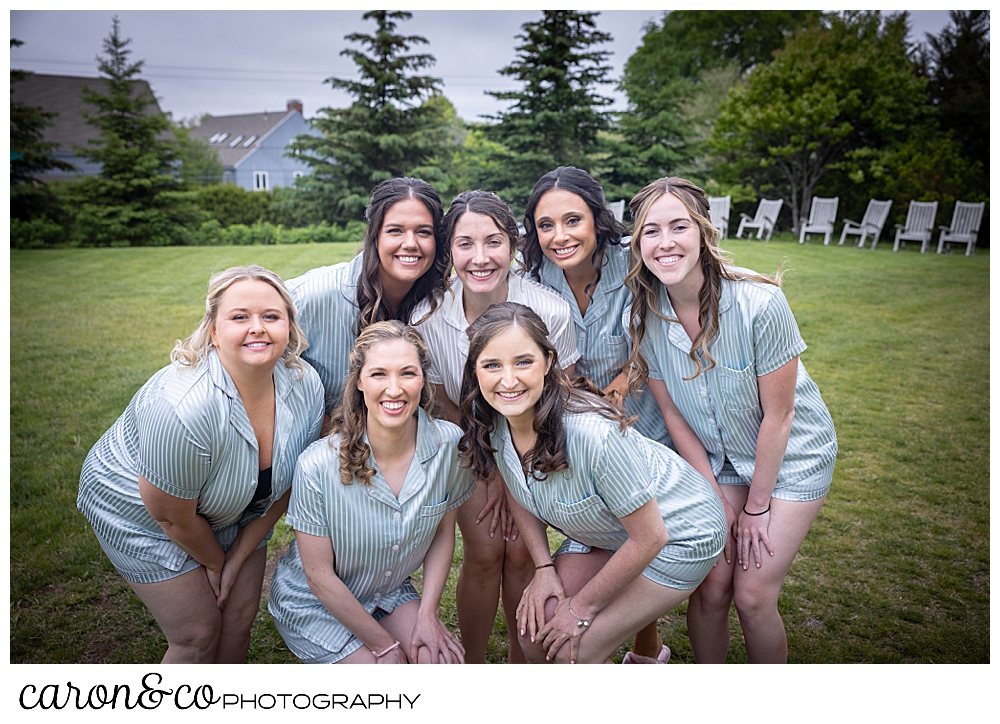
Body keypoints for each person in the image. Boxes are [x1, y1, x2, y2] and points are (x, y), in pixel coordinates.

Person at [624, 177, 838, 663]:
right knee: (712, 585)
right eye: (651, 231)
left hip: (791, 457)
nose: (665, 242)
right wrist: (715, 496)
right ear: (638, 244)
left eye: (678, 226)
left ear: (703, 233)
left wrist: (757, 508)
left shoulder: (759, 305)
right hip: (718, 462)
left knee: (752, 593)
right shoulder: (644, 316)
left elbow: (780, 417)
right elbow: (674, 414)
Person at [77, 265, 324, 663]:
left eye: (271, 316)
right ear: (213, 330)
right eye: (240, 317)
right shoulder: (183, 407)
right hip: (142, 513)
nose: (257, 327)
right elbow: (172, 517)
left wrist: (239, 554)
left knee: (239, 618)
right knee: (197, 634)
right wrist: (214, 562)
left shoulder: (305, 384)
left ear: (289, 327)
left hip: (237, 503)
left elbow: (292, 481)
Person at [457, 302, 726, 664]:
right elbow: (518, 490)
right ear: (475, 373)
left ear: (549, 361)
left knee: (571, 650)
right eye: (492, 365)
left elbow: (651, 536)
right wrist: (543, 568)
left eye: (523, 362)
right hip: (612, 531)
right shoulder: (497, 420)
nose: (508, 380)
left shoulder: (593, 437)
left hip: (678, 534)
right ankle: (645, 651)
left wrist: (580, 607)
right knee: (536, 637)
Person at [411, 189, 580, 663]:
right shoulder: (427, 317)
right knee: (485, 553)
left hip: (537, 444)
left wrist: (518, 470)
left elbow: (559, 392)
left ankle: (519, 663)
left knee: (524, 554)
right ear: (449, 252)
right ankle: (478, 664)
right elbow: (443, 399)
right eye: (465, 244)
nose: (480, 258)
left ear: (513, 245)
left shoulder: (550, 311)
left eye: (493, 242)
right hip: (473, 445)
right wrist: (490, 466)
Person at [518, 165, 672, 662]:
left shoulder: (634, 263)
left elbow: (665, 330)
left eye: (572, 220)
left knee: (641, 529)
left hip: (644, 419)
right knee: (608, 529)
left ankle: (648, 646)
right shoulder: (534, 278)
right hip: (579, 425)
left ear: (596, 220)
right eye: (546, 225)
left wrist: (627, 379)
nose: (559, 236)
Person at [268, 321, 474, 664]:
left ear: (423, 380)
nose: (394, 389)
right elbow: (318, 576)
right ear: (360, 381)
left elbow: (442, 532)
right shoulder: (317, 466)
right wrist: (385, 646)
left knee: (443, 667)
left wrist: (427, 615)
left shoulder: (449, 444)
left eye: (407, 373)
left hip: (386, 591)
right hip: (314, 601)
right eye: (379, 374)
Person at [286, 177, 448, 423]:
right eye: (395, 230)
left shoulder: (442, 304)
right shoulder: (313, 295)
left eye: (423, 232)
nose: (410, 243)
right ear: (373, 235)